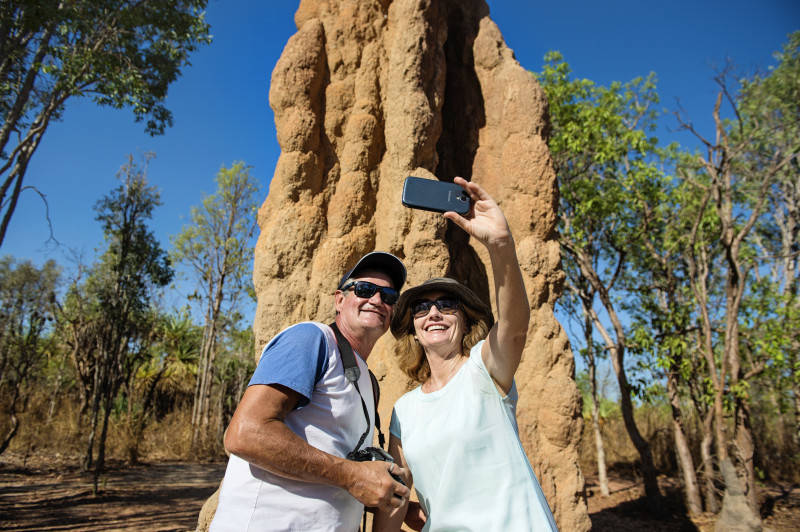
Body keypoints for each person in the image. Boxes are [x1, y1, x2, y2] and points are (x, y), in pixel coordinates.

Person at [375, 177, 559, 532]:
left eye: (447, 305)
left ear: (464, 319)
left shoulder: (484, 370)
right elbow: (396, 494)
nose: (434, 313)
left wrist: (501, 244)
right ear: (413, 328)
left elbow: (514, 326)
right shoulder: (405, 411)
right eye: (421, 309)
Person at [210, 251, 411, 532]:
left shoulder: (368, 380)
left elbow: (333, 460)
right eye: (365, 289)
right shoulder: (312, 338)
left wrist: (387, 495)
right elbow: (245, 433)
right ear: (339, 300)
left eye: (389, 296)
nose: (377, 300)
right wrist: (353, 477)